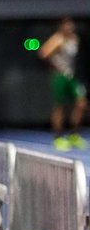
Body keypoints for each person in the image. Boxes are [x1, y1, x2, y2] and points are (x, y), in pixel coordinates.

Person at [39, 17, 86, 150]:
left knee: (81, 103)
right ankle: (58, 138)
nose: (69, 27)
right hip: (60, 76)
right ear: (61, 27)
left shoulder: (74, 39)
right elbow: (43, 52)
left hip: (71, 76)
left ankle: (74, 135)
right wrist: (56, 66)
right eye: (66, 25)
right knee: (60, 106)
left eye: (71, 25)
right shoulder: (57, 39)